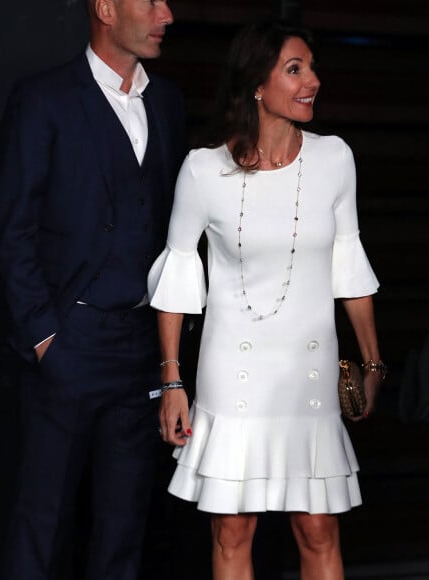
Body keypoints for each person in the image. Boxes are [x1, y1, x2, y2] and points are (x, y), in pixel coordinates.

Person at [147, 19, 386, 580]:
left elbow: (348, 266)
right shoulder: (204, 170)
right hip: (234, 372)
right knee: (233, 528)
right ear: (258, 83)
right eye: (295, 70)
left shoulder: (335, 159)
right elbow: (178, 281)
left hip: (309, 368)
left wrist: (372, 362)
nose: (313, 82)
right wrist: (173, 381)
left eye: (311, 68)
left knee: (318, 527)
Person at [0, 0, 185, 578]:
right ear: (105, 7)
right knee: (42, 529)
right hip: (69, 343)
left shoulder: (168, 102)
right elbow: (12, 229)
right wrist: (47, 337)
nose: (166, 15)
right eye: (150, 2)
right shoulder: (44, 98)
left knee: (124, 535)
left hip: (139, 349)